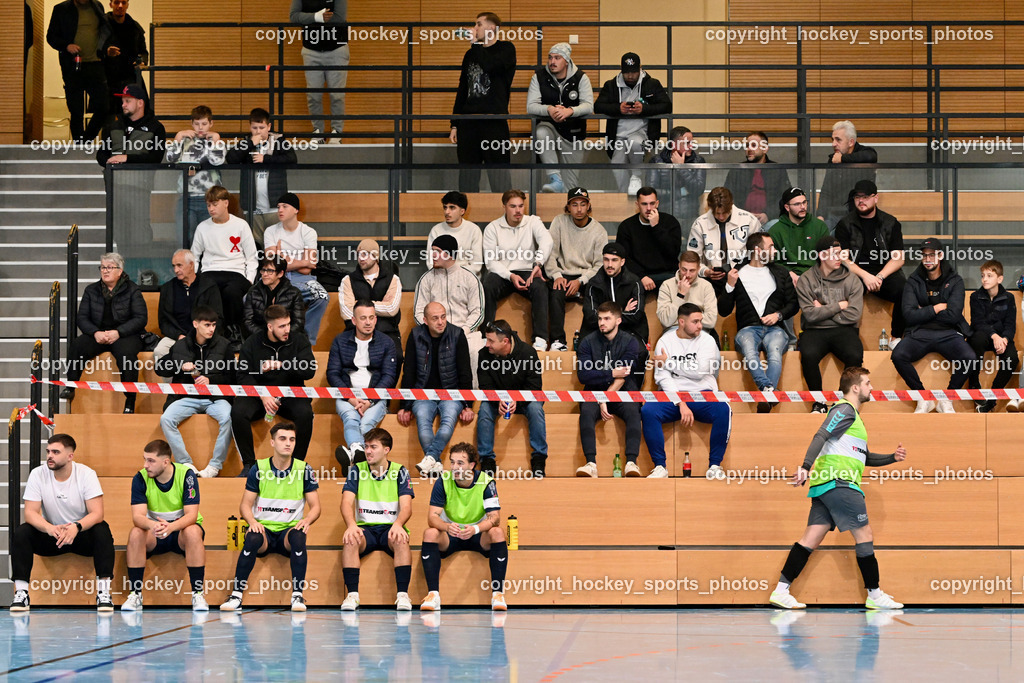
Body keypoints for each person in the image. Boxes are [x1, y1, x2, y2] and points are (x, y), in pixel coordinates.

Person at [768, 367, 905, 611]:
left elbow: (864, 457)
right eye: (868, 383)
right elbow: (821, 434)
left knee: (810, 538)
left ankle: (781, 591)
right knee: (865, 536)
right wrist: (805, 467)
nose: (871, 387)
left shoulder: (852, 417)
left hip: (826, 486)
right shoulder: (844, 409)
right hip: (840, 483)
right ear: (855, 388)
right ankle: (874, 594)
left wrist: (892, 458)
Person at [220, 421, 321, 612]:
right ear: (272, 442)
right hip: (264, 531)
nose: (288, 443)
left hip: (287, 533)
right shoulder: (258, 468)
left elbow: (316, 506)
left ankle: (297, 596)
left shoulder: (304, 469)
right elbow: (245, 505)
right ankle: (236, 595)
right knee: (252, 537)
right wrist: (252, 522)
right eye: (282, 439)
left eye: (292, 439)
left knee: (299, 536)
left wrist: (307, 520)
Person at [9, 434, 115, 613]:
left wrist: (77, 526)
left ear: (70, 456)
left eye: (56, 452)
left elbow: (97, 513)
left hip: (80, 535)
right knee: (22, 532)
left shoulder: (86, 474)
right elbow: (30, 513)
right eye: (48, 451)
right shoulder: (38, 474)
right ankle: (22, 593)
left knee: (102, 529)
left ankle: (103, 593)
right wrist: (49, 528)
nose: (50, 456)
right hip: (53, 536)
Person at [641, 303, 731, 479]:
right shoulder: (665, 341)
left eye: (700, 321)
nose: (700, 326)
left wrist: (669, 362)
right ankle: (660, 466)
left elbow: (700, 371)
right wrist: (680, 402)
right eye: (695, 321)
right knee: (648, 410)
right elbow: (662, 377)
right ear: (681, 322)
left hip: (702, 393)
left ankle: (714, 465)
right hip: (673, 395)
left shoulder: (707, 340)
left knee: (724, 409)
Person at [419, 442, 508, 612]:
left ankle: (498, 594)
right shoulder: (443, 481)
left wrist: (475, 529)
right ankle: (433, 595)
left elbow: (495, 518)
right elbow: (432, 517)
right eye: (452, 462)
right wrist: (446, 527)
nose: (455, 467)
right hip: (451, 534)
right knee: (430, 533)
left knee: (497, 532)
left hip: (477, 533)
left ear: (472, 465)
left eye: (460, 463)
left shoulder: (486, 481)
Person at [121, 439, 207, 612]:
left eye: (151, 461)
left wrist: (171, 527)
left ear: (166, 462)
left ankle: (198, 593)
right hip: (156, 532)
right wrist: (154, 526)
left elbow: (191, 515)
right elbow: (137, 517)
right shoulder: (140, 478)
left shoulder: (187, 475)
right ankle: (135, 594)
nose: (146, 465)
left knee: (192, 531)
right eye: (145, 459)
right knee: (136, 533)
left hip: (180, 531)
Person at [891, 238, 975, 414]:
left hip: (949, 333)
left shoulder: (955, 280)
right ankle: (923, 398)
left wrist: (922, 312)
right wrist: (936, 308)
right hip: (919, 333)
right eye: (924, 255)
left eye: (932, 255)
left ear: (940, 256)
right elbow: (908, 315)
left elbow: (953, 316)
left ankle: (947, 398)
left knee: (970, 358)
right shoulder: (913, 281)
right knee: (898, 355)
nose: (927, 259)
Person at [718, 232, 798, 412]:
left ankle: (765, 393)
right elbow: (723, 310)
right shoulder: (737, 272)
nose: (774, 251)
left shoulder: (780, 272)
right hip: (748, 328)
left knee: (775, 352)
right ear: (757, 250)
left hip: (775, 328)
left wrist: (778, 315)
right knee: (749, 351)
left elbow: (793, 304)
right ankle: (768, 392)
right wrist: (729, 286)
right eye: (770, 247)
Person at [231, 305, 317, 471]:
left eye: (288, 324)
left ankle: (297, 465)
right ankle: (249, 465)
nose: (287, 330)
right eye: (282, 326)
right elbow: (242, 374)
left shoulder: (299, 340)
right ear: (270, 326)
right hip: (259, 394)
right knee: (238, 412)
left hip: (290, 393)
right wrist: (262, 394)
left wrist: (283, 364)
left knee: (306, 414)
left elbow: (309, 370)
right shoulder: (252, 343)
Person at [61, 251, 147, 413]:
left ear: (120, 271)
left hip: (125, 335)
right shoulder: (91, 290)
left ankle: (130, 400)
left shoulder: (132, 290)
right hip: (98, 334)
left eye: (109, 267)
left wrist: (118, 332)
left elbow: (140, 318)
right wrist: (95, 333)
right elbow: (82, 318)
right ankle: (71, 386)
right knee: (77, 346)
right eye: (102, 267)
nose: (105, 271)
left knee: (127, 356)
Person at [340, 428, 414, 611]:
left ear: (386, 449)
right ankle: (352, 596)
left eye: (373, 447)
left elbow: (406, 507)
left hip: (390, 527)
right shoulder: (357, 470)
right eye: (366, 447)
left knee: (401, 538)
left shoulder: (400, 471)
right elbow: (345, 502)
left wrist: (398, 524)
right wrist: (351, 525)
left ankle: (403, 596)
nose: (368, 451)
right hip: (366, 530)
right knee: (351, 539)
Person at [156, 305, 235, 478]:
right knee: (166, 419)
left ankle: (214, 466)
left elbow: (232, 376)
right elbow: (160, 368)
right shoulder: (180, 346)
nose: (211, 329)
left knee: (229, 417)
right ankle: (185, 463)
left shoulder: (224, 345)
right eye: (207, 325)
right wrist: (179, 366)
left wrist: (211, 380)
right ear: (195, 324)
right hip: (186, 397)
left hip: (215, 397)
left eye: (213, 325)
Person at [399, 302, 474, 476]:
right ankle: (436, 463)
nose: (440, 322)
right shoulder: (415, 335)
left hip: (451, 393)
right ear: (425, 320)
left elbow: (465, 372)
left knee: (447, 422)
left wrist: (467, 404)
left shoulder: (457, 334)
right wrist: (405, 405)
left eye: (443, 317)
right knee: (423, 422)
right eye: (435, 318)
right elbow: (409, 372)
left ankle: (430, 459)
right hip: (422, 393)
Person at [796, 236, 864, 413]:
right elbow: (810, 315)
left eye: (840, 253)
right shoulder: (806, 279)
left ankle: (846, 403)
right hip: (814, 330)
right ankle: (818, 403)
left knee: (855, 355)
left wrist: (823, 310)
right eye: (834, 254)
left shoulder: (852, 280)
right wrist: (839, 306)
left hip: (845, 329)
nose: (839, 258)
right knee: (808, 355)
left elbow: (854, 314)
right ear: (821, 255)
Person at [576, 302, 645, 477]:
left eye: (607, 318)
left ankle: (631, 462)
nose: (602, 322)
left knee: (633, 410)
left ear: (618, 320)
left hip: (622, 390)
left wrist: (605, 397)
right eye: (600, 318)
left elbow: (624, 375)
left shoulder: (630, 342)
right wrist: (611, 373)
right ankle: (590, 463)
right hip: (593, 391)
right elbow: (584, 375)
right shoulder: (587, 342)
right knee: (586, 410)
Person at [834, 180, 907, 347]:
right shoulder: (845, 224)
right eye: (857, 197)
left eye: (865, 197)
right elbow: (843, 259)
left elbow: (899, 258)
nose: (861, 201)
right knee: (845, 289)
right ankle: (851, 339)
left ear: (876, 198)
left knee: (905, 290)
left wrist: (880, 276)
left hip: (885, 273)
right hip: (857, 273)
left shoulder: (891, 222)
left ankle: (896, 338)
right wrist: (866, 276)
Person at [450, 11, 516, 193]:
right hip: (469, 122)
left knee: (499, 177)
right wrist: (455, 123)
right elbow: (463, 89)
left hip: (493, 121)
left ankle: (505, 219)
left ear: (492, 28)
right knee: (468, 178)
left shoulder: (506, 49)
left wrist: (475, 44)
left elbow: (491, 66)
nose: (474, 28)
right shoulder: (470, 54)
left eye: (479, 24)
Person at [327, 299, 399, 466]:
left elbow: (388, 377)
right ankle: (359, 456)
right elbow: (332, 374)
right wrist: (351, 398)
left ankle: (354, 456)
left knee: (366, 423)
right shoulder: (340, 341)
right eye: (363, 318)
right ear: (354, 320)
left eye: (372, 317)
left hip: (375, 397)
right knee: (351, 419)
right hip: (347, 396)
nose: (368, 322)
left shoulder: (386, 342)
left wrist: (369, 401)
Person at [96, 83, 166, 251]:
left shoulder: (155, 127)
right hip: (115, 186)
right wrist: (110, 160)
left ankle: (142, 271)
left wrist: (126, 158)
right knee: (120, 232)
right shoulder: (113, 125)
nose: (123, 104)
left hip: (139, 186)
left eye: (128, 101)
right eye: (123, 101)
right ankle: (123, 272)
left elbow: (155, 158)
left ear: (140, 103)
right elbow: (101, 154)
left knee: (140, 231)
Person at [481, 189, 554, 350]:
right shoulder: (493, 228)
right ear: (504, 207)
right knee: (488, 284)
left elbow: (547, 241)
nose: (518, 210)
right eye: (513, 206)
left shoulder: (533, 222)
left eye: (521, 206)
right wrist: (510, 276)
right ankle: (484, 336)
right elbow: (491, 262)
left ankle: (540, 339)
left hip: (528, 270)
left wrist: (538, 264)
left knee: (541, 286)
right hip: (503, 272)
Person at [594, 52, 672, 195]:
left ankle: (636, 176)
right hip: (617, 136)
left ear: (640, 69)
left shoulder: (652, 84)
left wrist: (644, 109)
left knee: (634, 142)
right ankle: (625, 198)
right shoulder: (611, 85)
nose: (630, 75)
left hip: (641, 133)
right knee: (617, 166)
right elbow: (598, 106)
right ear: (621, 70)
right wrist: (618, 108)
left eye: (634, 72)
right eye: (627, 72)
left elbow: (667, 106)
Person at [476, 320, 547, 477]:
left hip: (524, 400)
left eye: (491, 340)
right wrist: (498, 400)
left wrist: (517, 399)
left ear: (505, 341)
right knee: (485, 409)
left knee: (536, 408)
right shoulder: (484, 354)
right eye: (486, 339)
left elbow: (535, 387)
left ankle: (539, 459)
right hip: (497, 399)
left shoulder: (528, 353)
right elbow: (485, 386)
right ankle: (487, 460)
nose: (487, 344)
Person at [413, 235, 485, 385]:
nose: (433, 255)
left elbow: (478, 312)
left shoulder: (469, 278)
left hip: (465, 333)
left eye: (438, 251)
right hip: (434, 333)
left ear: (450, 254)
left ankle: (471, 400)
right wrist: (432, 330)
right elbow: (418, 312)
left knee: (475, 351)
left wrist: (462, 331)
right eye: (432, 251)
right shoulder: (426, 279)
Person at [191, 185, 258, 340]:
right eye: (208, 205)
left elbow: (252, 257)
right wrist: (195, 277)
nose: (211, 209)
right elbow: (195, 256)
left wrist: (249, 279)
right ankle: (213, 333)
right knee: (209, 291)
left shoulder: (241, 225)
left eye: (215, 204)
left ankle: (233, 331)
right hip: (210, 271)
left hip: (235, 272)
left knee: (232, 293)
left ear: (226, 203)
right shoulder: (203, 227)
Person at [545, 187, 608, 350]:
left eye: (582, 204)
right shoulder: (559, 222)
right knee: (555, 291)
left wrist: (580, 281)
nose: (579, 209)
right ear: (568, 207)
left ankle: (592, 341)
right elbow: (549, 254)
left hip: (587, 276)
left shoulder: (599, 231)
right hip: (563, 274)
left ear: (588, 206)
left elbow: (600, 265)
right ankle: (558, 341)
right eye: (574, 204)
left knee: (598, 292)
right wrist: (557, 275)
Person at [526, 42, 594, 193]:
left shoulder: (581, 78)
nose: (552, 62)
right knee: (541, 132)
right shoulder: (539, 77)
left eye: (557, 58)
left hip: (574, 133)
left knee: (571, 186)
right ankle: (555, 178)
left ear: (567, 60)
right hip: (550, 126)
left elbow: (589, 106)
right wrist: (549, 109)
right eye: (550, 58)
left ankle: (566, 210)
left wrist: (570, 111)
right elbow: (531, 106)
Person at [264, 192, 329, 344]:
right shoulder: (270, 231)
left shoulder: (308, 232)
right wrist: (302, 262)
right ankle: (265, 340)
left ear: (295, 210)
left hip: (303, 279)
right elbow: (273, 265)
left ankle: (306, 340)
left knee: (322, 296)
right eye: (278, 207)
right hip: (276, 278)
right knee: (250, 298)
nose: (280, 210)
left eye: (285, 206)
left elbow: (308, 269)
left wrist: (283, 258)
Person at [225, 108, 297, 244]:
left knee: (276, 243)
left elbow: (292, 158)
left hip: (275, 206)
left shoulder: (279, 140)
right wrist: (251, 143)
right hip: (252, 206)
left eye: (262, 127)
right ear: (250, 127)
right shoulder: (246, 141)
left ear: (268, 126)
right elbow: (231, 158)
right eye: (254, 127)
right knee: (254, 243)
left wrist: (266, 159)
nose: (258, 131)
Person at [46, 0, 110, 142]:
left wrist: (104, 51)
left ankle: (85, 141)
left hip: (95, 64)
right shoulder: (61, 9)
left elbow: (104, 31)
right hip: (73, 66)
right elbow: (51, 37)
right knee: (76, 110)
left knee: (104, 106)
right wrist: (66, 46)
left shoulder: (97, 6)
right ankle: (79, 145)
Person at [289, 0, 349, 142]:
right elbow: (294, 16)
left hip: (336, 49)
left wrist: (309, 19)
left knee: (337, 95)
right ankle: (318, 132)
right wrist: (316, 17)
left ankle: (337, 132)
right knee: (313, 95)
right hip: (311, 50)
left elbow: (340, 17)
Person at [164, 105, 226, 241]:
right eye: (197, 124)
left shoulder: (216, 141)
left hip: (210, 198)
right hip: (187, 196)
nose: (200, 128)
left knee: (210, 239)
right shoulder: (185, 141)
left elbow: (217, 161)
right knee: (185, 237)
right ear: (192, 124)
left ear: (211, 124)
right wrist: (178, 137)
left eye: (204, 124)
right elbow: (171, 158)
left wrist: (215, 139)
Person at [687, 186, 763, 295]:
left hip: (745, 278)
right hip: (712, 280)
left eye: (725, 212)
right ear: (710, 208)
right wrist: (705, 271)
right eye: (717, 213)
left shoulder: (749, 220)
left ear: (731, 204)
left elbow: (761, 253)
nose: (721, 217)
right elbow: (692, 258)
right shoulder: (700, 224)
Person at [967, 260, 1020, 413]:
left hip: (1001, 338)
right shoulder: (975, 296)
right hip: (983, 336)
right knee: (976, 340)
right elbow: (978, 322)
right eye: (983, 275)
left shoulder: (1009, 298)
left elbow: (1010, 325)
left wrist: (1003, 339)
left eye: (989, 276)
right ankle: (974, 383)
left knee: (1012, 359)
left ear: (1000, 279)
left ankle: (992, 397)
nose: (985, 279)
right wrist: (994, 336)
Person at [340, 238, 403, 364]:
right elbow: (346, 312)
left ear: (375, 256)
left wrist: (361, 307)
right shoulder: (347, 280)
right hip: (355, 333)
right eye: (358, 254)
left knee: (397, 357)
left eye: (365, 254)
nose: (361, 258)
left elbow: (391, 309)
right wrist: (380, 307)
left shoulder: (393, 279)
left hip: (387, 332)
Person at [154, 249, 223, 360]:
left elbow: (218, 317)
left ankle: (204, 377)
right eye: (174, 266)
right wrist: (178, 336)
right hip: (177, 337)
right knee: (160, 351)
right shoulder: (167, 288)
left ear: (191, 265)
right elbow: (163, 322)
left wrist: (201, 335)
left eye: (179, 265)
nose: (176, 270)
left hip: (204, 336)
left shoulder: (209, 286)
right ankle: (174, 378)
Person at [615, 187, 682, 292]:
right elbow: (624, 258)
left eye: (652, 203)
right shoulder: (627, 226)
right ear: (637, 205)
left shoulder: (670, 222)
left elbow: (673, 253)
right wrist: (642, 276)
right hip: (639, 276)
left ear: (657, 203)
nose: (649, 208)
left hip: (667, 274)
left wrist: (656, 227)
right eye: (644, 204)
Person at [581, 242, 648, 343]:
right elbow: (591, 316)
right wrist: (623, 312)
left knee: (639, 351)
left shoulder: (634, 282)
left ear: (622, 262)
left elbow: (636, 314)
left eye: (614, 260)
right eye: (606, 260)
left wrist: (606, 318)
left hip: (630, 331)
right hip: (600, 332)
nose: (610, 265)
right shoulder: (594, 284)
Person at [722, 132, 792, 226]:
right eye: (747, 145)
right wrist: (743, 215)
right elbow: (727, 197)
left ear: (764, 149)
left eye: (753, 145)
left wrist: (768, 215)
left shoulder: (777, 169)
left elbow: (785, 198)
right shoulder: (737, 170)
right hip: (741, 221)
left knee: (776, 225)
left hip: (770, 220)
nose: (749, 149)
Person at [818, 120, 877, 228]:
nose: (833, 144)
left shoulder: (865, 152)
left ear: (851, 142)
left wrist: (843, 159)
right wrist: (820, 215)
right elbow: (826, 190)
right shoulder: (833, 159)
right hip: (835, 214)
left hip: (859, 214)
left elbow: (871, 156)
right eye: (832, 139)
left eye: (838, 140)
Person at [656, 251, 719, 345]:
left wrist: (687, 321)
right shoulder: (667, 285)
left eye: (692, 270)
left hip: (700, 331)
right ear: (679, 266)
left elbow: (711, 321)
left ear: (698, 268)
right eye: (684, 270)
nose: (687, 275)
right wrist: (681, 295)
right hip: (674, 330)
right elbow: (666, 321)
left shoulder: (706, 286)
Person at [647, 126, 707, 223]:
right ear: (673, 144)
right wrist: (681, 192)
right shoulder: (657, 161)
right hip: (663, 217)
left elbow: (698, 189)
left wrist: (680, 167)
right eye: (687, 143)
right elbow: (652, 193)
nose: (691, 146)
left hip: (689, 217)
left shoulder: (698, 161)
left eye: (692, 142)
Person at [101, 0, 147, 120]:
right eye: (116, 2)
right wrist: (106, 52)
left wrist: (141, 60)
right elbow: (94, 49)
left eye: (123, 2)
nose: (120, 6)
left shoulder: (135, 27)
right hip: (107, 78)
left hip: (130, 77)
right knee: (108, 117)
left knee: (139, 113)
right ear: (110, 4)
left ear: (127, 5)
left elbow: (143, 52)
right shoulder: (102, 25)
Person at [243, 254, 307, 339]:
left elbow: (298, 323)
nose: (265, 274)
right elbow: (248, 321)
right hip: (260, 338)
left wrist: (281, 334)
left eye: (270, 271)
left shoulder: (294, 293)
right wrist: (267, 336)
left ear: (280, 273)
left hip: (287, 337)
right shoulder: (253, 291)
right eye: (263, 270)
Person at [426, 191, 484, 276]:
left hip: (466, 278)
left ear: (462, 211)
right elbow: (430, 262)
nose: (447, 212)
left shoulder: (474, 230)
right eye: (445, 208)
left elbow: (476, 265)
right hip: (441, 277)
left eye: (452, 208)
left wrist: (455, 275)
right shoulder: (436, 230)